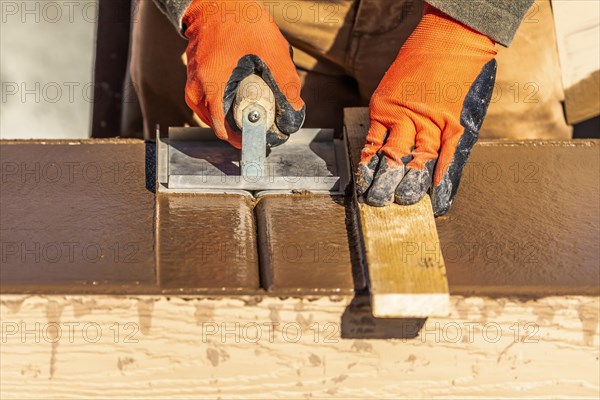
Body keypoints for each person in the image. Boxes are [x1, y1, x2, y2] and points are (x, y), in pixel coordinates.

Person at [138, 0, 534, 215]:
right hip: (255, 13)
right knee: (181, 227)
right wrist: (209, 6)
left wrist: (467, 26)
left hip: (468, 24)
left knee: (495, 219)